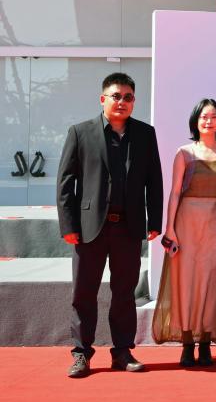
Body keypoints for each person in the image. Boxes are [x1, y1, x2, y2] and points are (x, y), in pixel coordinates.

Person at [57, 72, 163, 378]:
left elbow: (154, 181)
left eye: (128, 97)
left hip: (128, 227)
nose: (121, 102)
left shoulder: (145, 134)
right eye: (116, 96)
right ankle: (81, 353)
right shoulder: (80, 132)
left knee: (124, 293)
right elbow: (65, 183)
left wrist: (154, 221)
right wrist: (68, 224)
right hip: (89, 228)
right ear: (103, 99)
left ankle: (122, 352)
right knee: (84, 293)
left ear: (134, 102)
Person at [152, 98, 216, 367]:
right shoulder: (184, 153)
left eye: (213, 116)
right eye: (204, 117)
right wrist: (170, 229)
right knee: (184, 281)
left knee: (210, 281)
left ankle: (205, 342)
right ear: (195, 121)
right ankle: (187, 342)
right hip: (186, 223)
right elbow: (175, 192)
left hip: (215, 224)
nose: (209, 121)